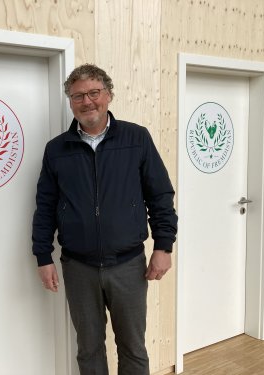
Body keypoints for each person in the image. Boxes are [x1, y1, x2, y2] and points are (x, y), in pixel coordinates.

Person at [32, 64, 177, 375]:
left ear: (109, 95)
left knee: (133, 347)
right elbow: (45, 206)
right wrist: (42, 255)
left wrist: (164, 246)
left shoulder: (137, 138)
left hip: (127, 265)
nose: (87, 102)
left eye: (94, 93)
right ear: (71, 102)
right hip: (78, 267)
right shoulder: (57, 150)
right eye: (78, 96)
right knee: (88, 348)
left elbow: (160, 195)